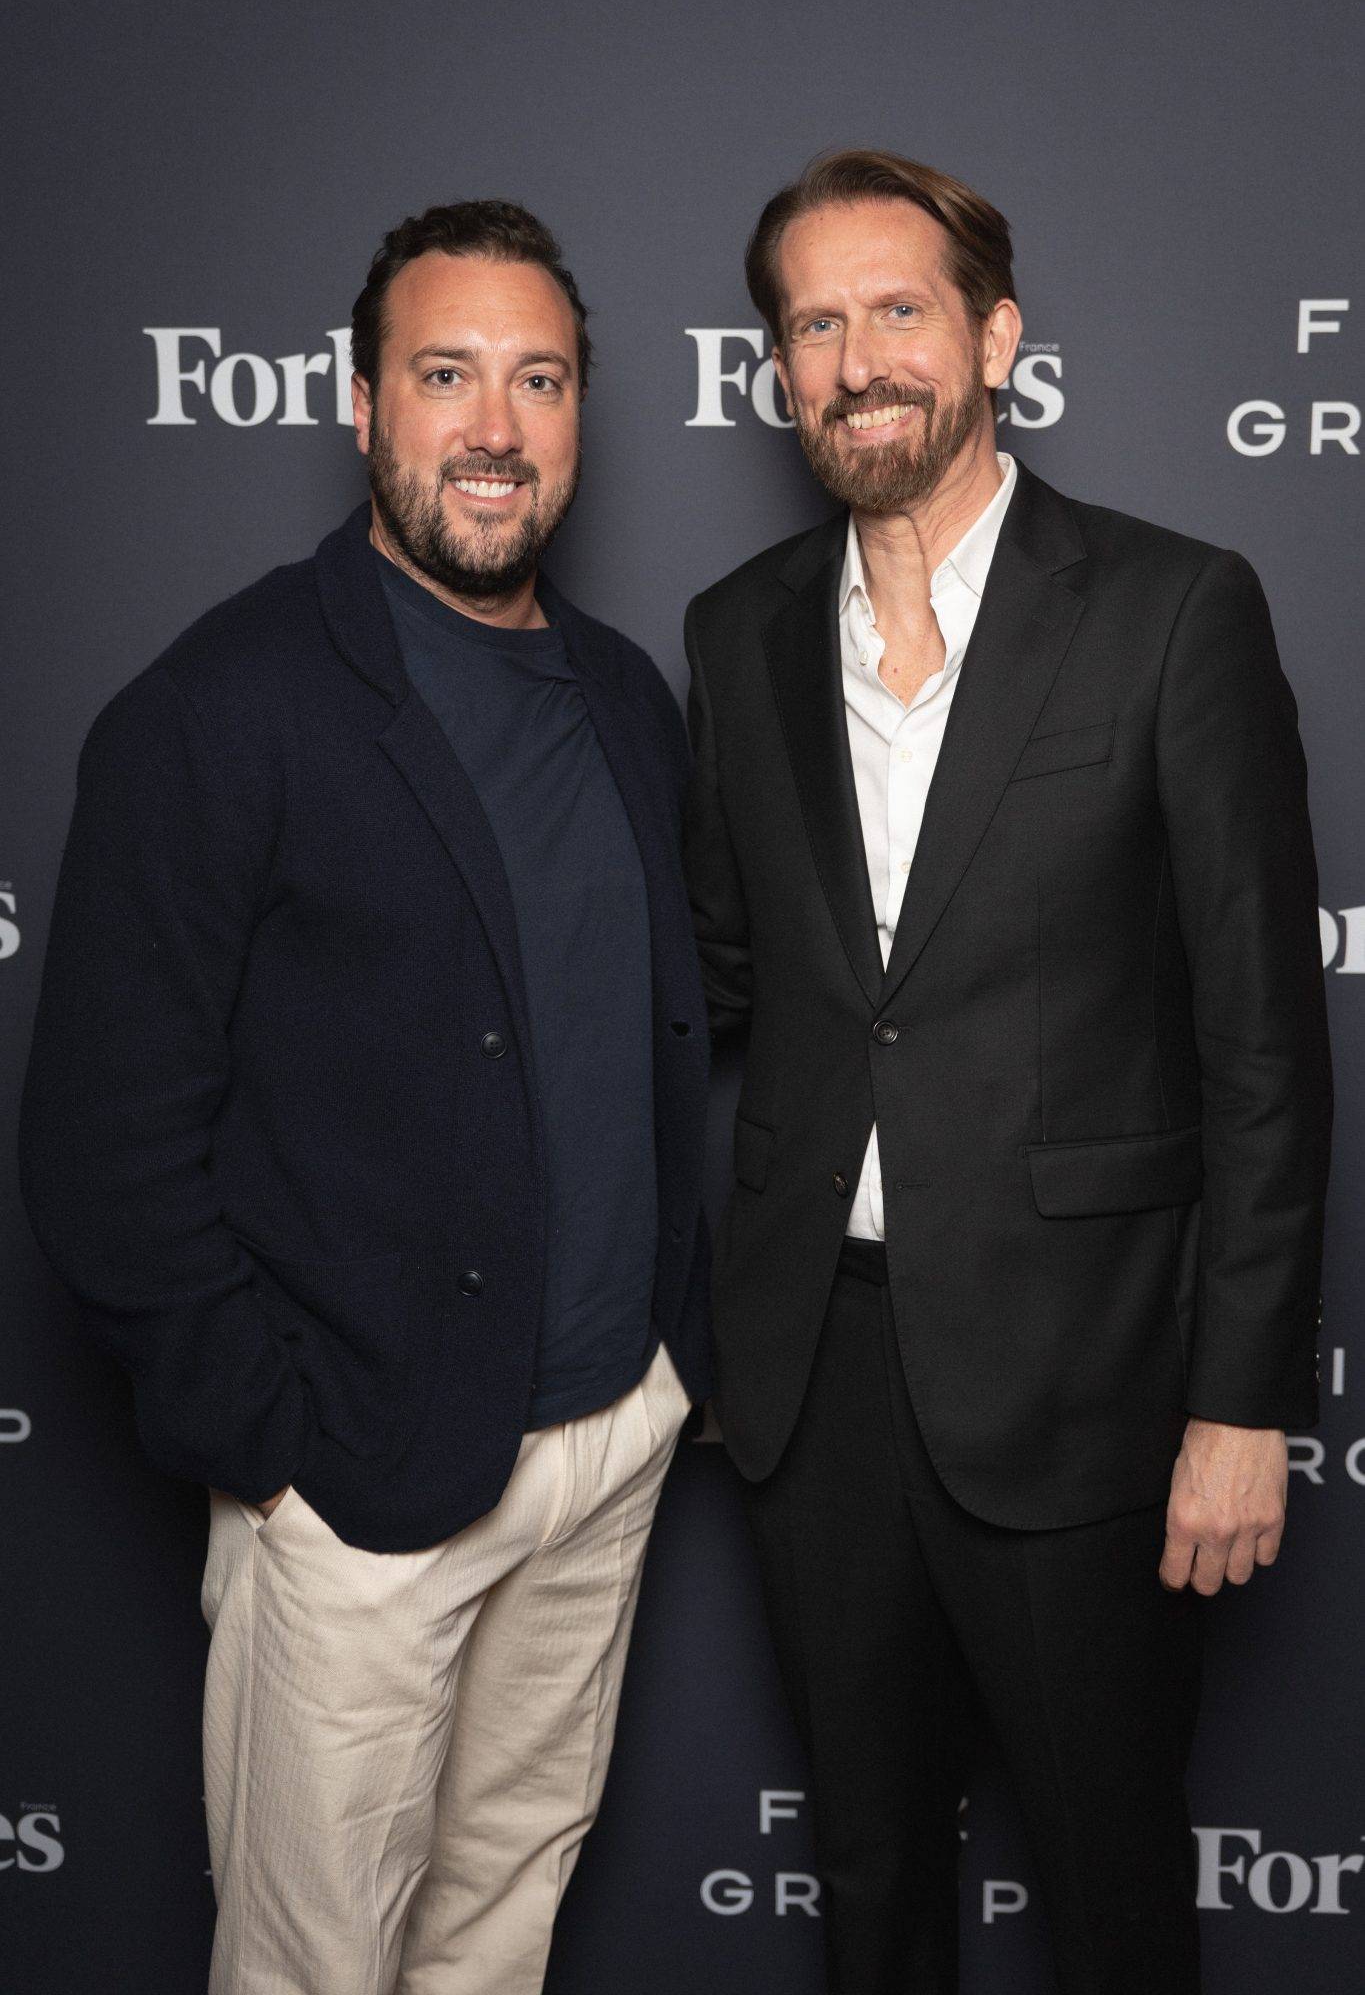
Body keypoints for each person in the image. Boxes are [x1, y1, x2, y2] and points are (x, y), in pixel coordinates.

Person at [20, 198, 710, 1995]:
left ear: (579, 413)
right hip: (361, 1484)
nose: (495, 425)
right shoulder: (217, 709)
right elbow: (105, 1151)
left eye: (537, 379)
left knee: (497, 1934)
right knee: (314, 1968)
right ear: (359, 407)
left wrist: (655, 1378)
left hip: (602, 1448)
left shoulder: (630, 701)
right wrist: (278, 1446)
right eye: (446, 374)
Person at [682, 148, 1330, 1995]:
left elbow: (1262, 1052)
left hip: (1092, 1382)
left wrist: (1237, 1403)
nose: (855, 357)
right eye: (814, 323)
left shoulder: (1170, 610)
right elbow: (729, 981)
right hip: (818, 1383)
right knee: (870, 1880)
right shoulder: (734, 634)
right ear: (777, 369)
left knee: (1109, 1888)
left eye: (897, 309)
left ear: (995, 338)